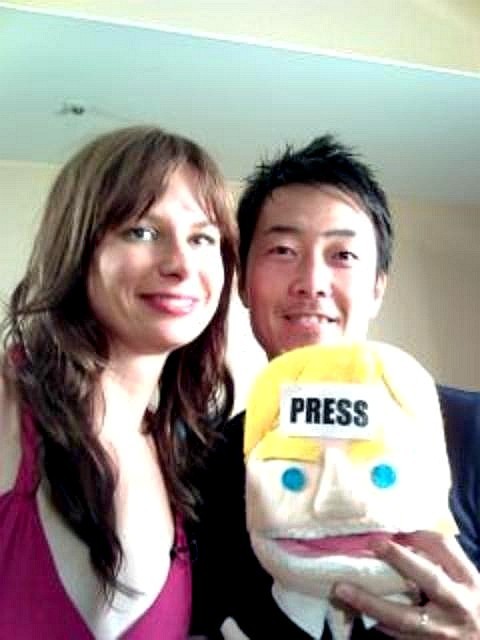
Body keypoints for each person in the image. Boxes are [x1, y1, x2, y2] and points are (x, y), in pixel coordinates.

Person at [191, 135, 480, 639]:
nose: (311, 281)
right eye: (283, 250)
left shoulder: (472, 429)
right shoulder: (207, 464)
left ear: (377, 286)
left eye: (342, 254)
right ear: (243, 282)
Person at [0, 125, 238, 639]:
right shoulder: (7, 403)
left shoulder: (186, 459)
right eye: (142, 231)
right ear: (77, 247)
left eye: (202, 238)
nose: (181, 264)